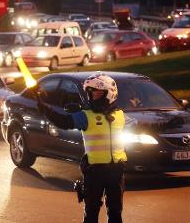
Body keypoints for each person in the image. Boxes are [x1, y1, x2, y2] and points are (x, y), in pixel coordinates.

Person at [38, 72, 127, 223]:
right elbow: (63, 122)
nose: (93, 97)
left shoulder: (120, 115)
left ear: (109, 94)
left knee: (116, 212)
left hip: (116, 171)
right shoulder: (86, 116)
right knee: (91, 213)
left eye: (97, 93)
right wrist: (44, 107)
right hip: (94, 172)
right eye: (90, 94)